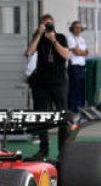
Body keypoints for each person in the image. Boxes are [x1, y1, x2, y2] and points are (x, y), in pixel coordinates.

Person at [25, 13, 71, 156]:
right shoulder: (38, 39)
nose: (47, 27)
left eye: (49, 24)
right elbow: (29, 52)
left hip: (59, 82)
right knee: (40, 115)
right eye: (44, 25)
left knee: (62, 115)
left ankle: (63, 149)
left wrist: (54, 41)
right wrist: (38, 35)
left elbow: (66, 55)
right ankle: (43, 148)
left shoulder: (61, 37)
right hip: (41, 83)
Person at [66, 20, 90, 112]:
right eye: (76, 27)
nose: (78, 29)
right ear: (72, 29)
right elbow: (76, 52)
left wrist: (81, 52)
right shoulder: (70, 38)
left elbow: (87, 52)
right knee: (74, 89)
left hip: (82, 67)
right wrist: (81, 52)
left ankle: (79, 109)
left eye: (80, 28)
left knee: (81, 89)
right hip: (74, 67)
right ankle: (72, 110)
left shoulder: (81, 39)